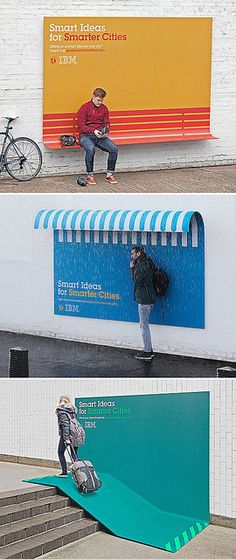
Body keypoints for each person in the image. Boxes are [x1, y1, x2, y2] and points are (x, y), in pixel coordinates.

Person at [78, 87, 118, 185]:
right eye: (98, 100)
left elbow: (106, 123)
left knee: (114, 149)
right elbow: (81, 126)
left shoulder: (104, 108)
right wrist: (93, 131)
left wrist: (105, 131)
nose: (100, 102)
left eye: (102, 100)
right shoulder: (84, 108)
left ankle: (109, 175)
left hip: (100, 136)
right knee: (91, 149)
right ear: (93, 97)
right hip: (86, 136)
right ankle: (90, 176)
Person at [130, 246, 157, 361]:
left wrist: (132, 268)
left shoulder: (141, 265)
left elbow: (136, 280)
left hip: (144, 299)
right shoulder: (148, 262)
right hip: (149, 296)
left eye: (133, 254)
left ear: (138, 253)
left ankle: (147, 352)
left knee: (143, 325)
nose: (131, 256)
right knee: (144, 324)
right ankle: (148, 350)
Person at [55, 395, 79, 478]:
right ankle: (79, 474)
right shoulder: (72, 409)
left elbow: (65, 425)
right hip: (75, 434)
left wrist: (66, 438)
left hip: (67, 435)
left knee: (60, 452)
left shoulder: (62, 410)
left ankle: (64, 472)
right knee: (74, 454)